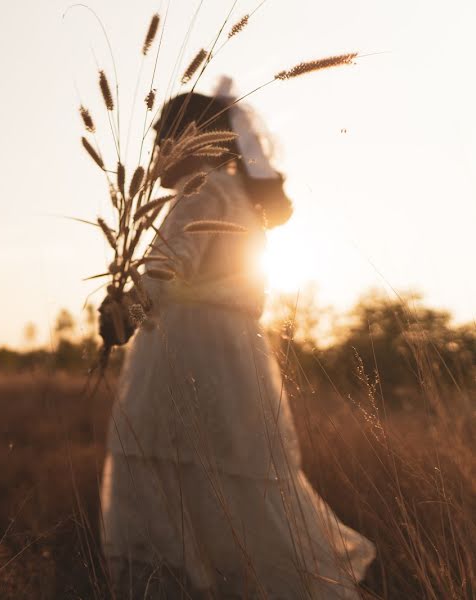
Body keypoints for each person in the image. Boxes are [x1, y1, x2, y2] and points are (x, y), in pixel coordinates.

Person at [98, 92, 375, 598]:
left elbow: (164, 268)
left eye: (163, 134)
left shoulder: (199, 190)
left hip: (189, 358)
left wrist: (121, 315)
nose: (156, 146)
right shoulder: (237, 195)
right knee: (228, 491)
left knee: (176, 484)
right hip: (232, 358)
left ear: (193, 139)